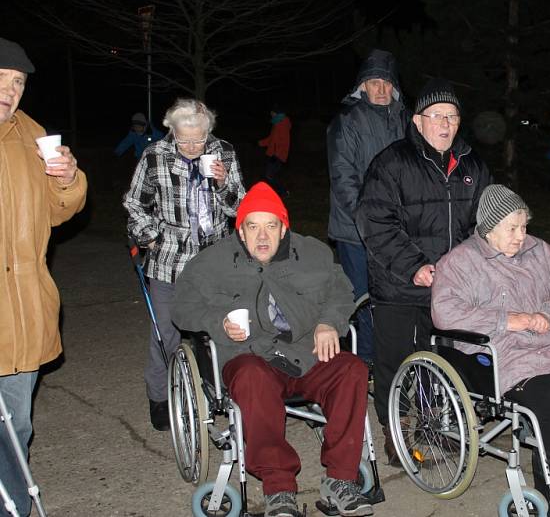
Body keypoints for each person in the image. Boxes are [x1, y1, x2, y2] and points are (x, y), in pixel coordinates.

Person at [172, 182, 372, 517]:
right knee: (252, 377)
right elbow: (181, 306)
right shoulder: (212, 262)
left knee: (352, 368)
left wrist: (328, 322)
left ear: (284, 228)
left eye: (270, 226)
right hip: (251, 357)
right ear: (241, 230)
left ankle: (341, 479)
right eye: (253, 226)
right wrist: (217, 321)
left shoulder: (313, 254)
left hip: (307, 354)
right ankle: (279, 489)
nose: (262, 237)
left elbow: (342, 292)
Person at [431, 185, 550, 517]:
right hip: (507, 355)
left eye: (524, 226)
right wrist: (506, 320)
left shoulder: (540, 251)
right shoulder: (459, 262)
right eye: (511, 228)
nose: (520, 236)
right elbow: (445, 313)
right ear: (488, 229)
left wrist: (549, 315)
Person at [355, 77, 490, 465]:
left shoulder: (473, 166)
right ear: (417, 121)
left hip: (452, 289)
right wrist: (414, 267)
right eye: (436, 116)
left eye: (452, 116)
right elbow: (375, 222)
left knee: (445, 360)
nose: (445, 124)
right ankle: (395, 432)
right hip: (399, 284)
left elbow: (483, 224)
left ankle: (436, 425)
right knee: (395, 362)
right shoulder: (391, 163)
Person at [0, 37, 88, 517]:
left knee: (16, 427)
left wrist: (69, 179)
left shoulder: (31, 136)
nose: (9, 90)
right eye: (1, 79)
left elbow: (61, 210)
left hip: (25, 310)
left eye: (17, 83)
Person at [123, 98, 245, 431]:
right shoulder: (154, 156)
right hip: (169, 260)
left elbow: (240, 208)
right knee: (166, 334)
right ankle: (161, 396)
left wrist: (223, 185)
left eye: (198, 139)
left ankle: (224, 389)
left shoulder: (225, 152)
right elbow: (135, 204)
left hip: (215, 261)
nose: (192, 147)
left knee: (222, 330)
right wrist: (150, 236)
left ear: (209, 133)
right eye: (184, 139)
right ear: (171, 131)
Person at [328, 49, 409, 368]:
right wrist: (371, 220)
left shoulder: (406, 119)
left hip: (397, 228)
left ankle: (391, 361)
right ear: (363, 86)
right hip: (355, 229)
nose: (380, 89)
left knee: (393, 298)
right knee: (363, 297)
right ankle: (364, 363)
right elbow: (342, 174)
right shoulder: (347, 120)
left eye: (386, 83)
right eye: (374, 82)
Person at [257, 104, 291, 197]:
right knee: (268, 175)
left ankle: (283, 192)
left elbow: (284, 142)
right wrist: (260, 143)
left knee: (269, 175)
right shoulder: (277, 123)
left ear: (276, 112)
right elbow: (272, 139)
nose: (270, 114)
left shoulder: (283, 123)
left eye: (272, 112)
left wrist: (277, 155)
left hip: (277, 155)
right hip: (272, 154)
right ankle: (277, 193)